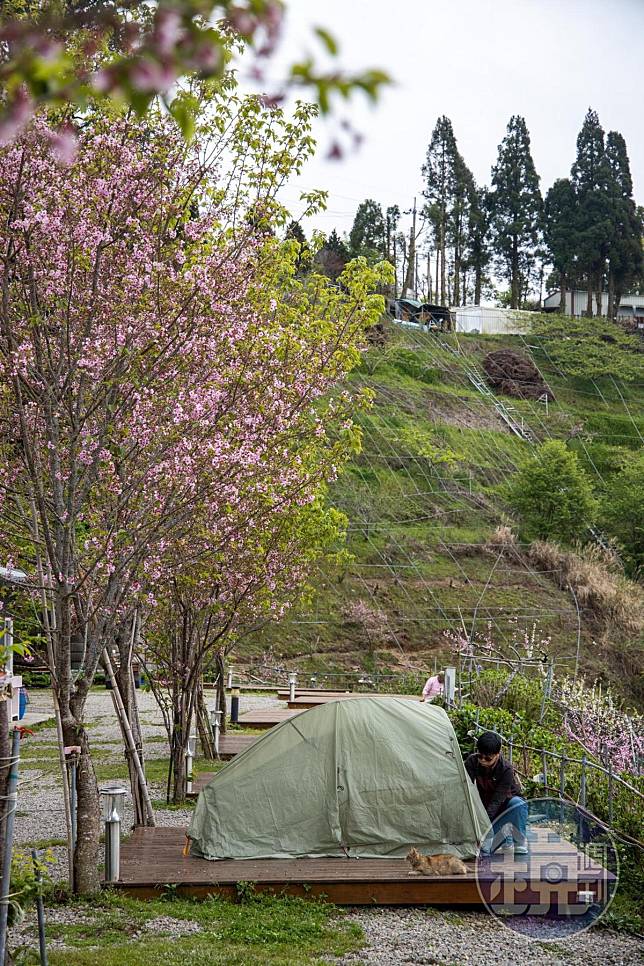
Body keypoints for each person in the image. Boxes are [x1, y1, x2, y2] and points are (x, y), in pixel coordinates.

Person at [465, 731, 528, 855]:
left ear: (497, 755)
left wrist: (485, 830)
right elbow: (466, 789)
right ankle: (505, 834)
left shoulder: (506, 769)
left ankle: (518, 840)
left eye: (488, 758)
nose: (483, 761)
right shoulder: (472, 762)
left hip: (504, 807)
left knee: (518, 804)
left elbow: (497, 801)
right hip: (482, 808)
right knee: (479, 847)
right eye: (480, 756)